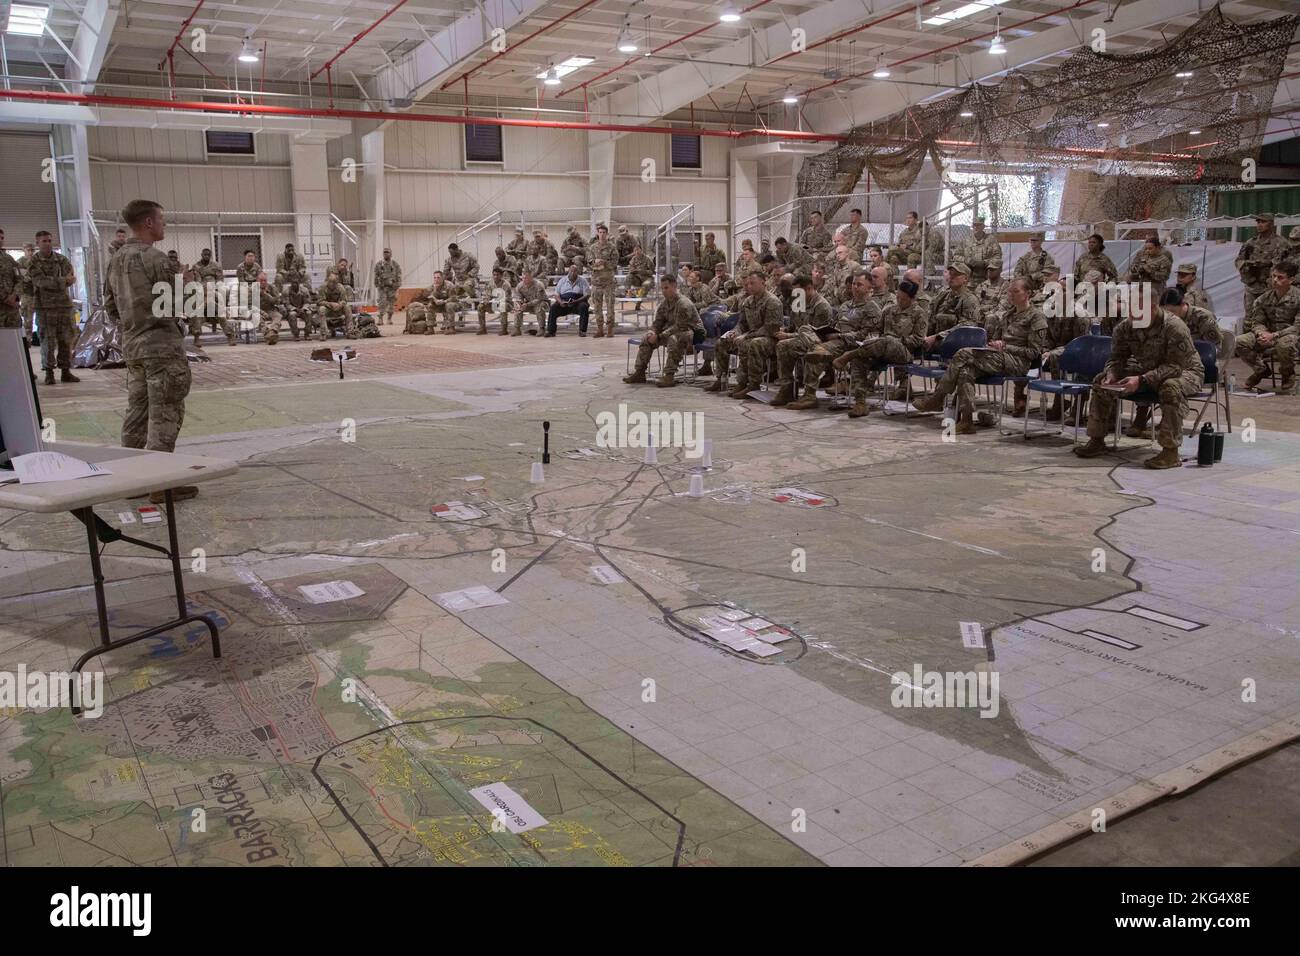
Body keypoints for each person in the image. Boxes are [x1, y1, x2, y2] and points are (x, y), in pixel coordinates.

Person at [104, 199, 197, 502]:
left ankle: (134, 481)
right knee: (164, 413)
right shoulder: (155, 258)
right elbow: (178, 305)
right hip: (161, 347)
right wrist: (187, 283)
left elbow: (109, 306)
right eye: (161, 220)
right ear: (147, 223)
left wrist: (134, 325)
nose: (164, 225)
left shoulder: (116, 259)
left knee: (137, 413)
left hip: (133, 347)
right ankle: (160, 483)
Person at [1073, 285, 1204, 469]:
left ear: (1153, 307)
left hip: (1186, 371)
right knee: (1101, 381)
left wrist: (1141, 380)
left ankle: (1170, 452)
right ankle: (1097, 439)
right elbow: (1117, 358)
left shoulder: (1174, 327)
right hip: (1146, 370)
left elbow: (1175, 367)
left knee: (1171, 387)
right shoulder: (1125, 327)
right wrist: (1112, 374)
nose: (1133, 313)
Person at [913, 278, 1047, 432]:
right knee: (965, 371)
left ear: (1028, 293)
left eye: (1015, 291)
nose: (1011, 295)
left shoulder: (1036, 317)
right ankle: (967, 420)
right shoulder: (1007, 315)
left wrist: (1005, 346)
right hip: (999, 358)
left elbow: (1034, 352)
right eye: (1009, 291)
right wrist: (992, 345)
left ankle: (938, 398)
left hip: (1018, 363)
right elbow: (994, 339)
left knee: (963, 354)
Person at [831, 278, 928, 419]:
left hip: (904, 351)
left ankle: (848, 355)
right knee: (860, 359)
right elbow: (879, 332)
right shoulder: (888, 310)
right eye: (898, 297)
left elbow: (918, 339)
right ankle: (860, 403)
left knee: (888, 340)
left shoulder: (919, 313)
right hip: (881, 348)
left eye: (902, 298)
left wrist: (897, 340)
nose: (899, 300)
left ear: (911, 298)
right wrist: (875, 340)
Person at [705, 271, 780, 396]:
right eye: (748, 284)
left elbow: (770, 328)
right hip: (749, 336)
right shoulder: (748, 301)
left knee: (751, 344)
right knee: (722, 342)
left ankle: (752, 385)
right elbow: (742, 323)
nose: (749, 286)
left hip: (770, 338)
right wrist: (735, 332)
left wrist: (746, 335)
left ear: (763, 282)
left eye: (753, 283)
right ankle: (721, 379)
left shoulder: (772, 301)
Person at [623, 275, 704, 388]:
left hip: (692, 334)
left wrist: (659, 336)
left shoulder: (684, 304)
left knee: (674, 339)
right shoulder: (665, 304)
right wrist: (652, 332)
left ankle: (669, 375)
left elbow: (680, 326)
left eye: (666, 288)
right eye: (662, 288)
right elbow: (658, 322)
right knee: (646, 338)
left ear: (674, 286)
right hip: (672, 332)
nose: (664, 291)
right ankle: (640, 372)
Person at [771, 273, 835, 408]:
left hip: (819, 344)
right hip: (800, 340)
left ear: (809, 288)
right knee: (782, 346)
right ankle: (786, 388)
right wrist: (783, 331)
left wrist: (788, 336)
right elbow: (793, 327)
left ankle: (810, 394)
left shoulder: (821, 306)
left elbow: (815, 335)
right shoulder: (798, 302)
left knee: (807, 348)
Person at [1235, 262, 1299, 392]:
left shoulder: (1298, 297)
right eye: (1274, 276)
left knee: (1285, 344)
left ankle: (1287, 373)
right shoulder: (1263, 299)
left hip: (1291, 335)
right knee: (1239, 342)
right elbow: (1257, 321)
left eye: (1280, 277)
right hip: (1268, 334)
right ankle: (1261, 370)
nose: (1275, 280)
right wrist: (1261, 333)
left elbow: (1297, 326)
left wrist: (1273, 335)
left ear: (1291, 280)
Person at [28, 230, 80, 384]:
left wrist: (59, 281)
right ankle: (49, 373)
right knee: (47, 341)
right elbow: (41, 282)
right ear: (38, 243)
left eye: (49, 240)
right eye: (44, 241)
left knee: (66, 339)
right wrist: (62, 281)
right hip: (45, 308)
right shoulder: (33, 263)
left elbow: (72, 279)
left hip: (64, 306)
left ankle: (66, 371)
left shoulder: (61, 260)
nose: (48, 243)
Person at [1234, 213, 1290, 317]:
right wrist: (1246, 267)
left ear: (1271, 224)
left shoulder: (1281, 243)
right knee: (1250, 318)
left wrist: (1266, 264)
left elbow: (1286, 266)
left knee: (1270, 317)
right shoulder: (1250, 242)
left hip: (1270, 287)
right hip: (1252, 286)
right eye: (1258, 222)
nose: (1259, 224)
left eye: (1263, 222)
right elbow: (1239, 260)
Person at [588, 223, 619, 338]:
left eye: (603, 232)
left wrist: (604, 262)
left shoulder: (612, 247)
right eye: (600, 232)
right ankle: (600, 329)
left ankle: (610, 329)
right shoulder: (593, 247)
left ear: (607, 234)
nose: (601, 234)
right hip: (596, 281)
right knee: (597, 307)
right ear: (597, 233)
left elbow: (615, 263)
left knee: (610, 306)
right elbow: (589, 260)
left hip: (608, 282)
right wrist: (594, 262)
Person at [546, 262, 590, 337]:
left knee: (584, 307)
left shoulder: (583, 281)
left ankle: (582, 331)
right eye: (571, 271)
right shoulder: (562, 280)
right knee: (553, 308)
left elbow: (587, 295)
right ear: (568, 271)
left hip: (577, 302)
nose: (573, 273)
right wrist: (560, 302)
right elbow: (556, 294)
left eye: (575, 271)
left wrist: (576, 301)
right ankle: (551, 331)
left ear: (577, 272)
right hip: (564, 302)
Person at [954, 216, 1002, 282]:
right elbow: (956, 256)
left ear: (983, 226)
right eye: (974, 225)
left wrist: (984, 262)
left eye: (979, 225)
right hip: (969, 279)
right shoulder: (965, 241)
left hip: (986, 278)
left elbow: (997, 257)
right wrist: (968, 260)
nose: (976, 227)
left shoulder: (991, 240)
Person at [316, 273, 357, 339]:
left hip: (338, 308)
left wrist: (340, 305)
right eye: (330, 281)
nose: (332, 284)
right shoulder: (322, 288)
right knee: (321, 309)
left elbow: (344, 300)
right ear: (327, 281)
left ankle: (350, 332)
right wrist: (330, 304)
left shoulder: (340, 287)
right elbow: (319, 302)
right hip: (328, 308)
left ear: (337, 282)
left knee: (347, 307)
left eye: (334, 282)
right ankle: (323, 333)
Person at [478, 267, 514, 335]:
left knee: (502, 306)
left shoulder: (506, 284)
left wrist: (495, 300)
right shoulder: (490, 283)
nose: (495, 277)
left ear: (501, 275)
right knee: (480, 306)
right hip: (494, 304)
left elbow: (505, 298)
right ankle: (482, 328)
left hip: (507, 304)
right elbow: (487, 293)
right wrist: (486, 299)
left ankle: (504, 329)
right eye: (494, 275)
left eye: (497, 275)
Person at [252, 272, 284, 344]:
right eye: (261, 280)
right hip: (258, 311)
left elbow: (277, 301)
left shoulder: (272, 288)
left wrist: (265, 294)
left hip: (270, 309)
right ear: (257, 280)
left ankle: (272, 332)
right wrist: (262, 312)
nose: (263, 282)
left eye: (265, 280)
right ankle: (268, 334)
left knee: (278, 316)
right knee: (257, 318)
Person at [512, 269, 547, 336]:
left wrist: (527, 304)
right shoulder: (520, 286)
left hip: (542, 303)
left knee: (540, 306)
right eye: (523, 278)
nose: (524, 280)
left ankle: (542, 328)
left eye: (526, 278)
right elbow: (517, 296)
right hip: (528, 305)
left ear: (531, 277)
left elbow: (539, 299)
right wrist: (520, 302)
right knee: (517, 306)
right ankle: (517, 329)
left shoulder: (539, 285)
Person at [372, 248, 401, 325]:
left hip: (392, 288)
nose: (386, 254)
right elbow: (376, 275)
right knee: (382, 302)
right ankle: (380, 319)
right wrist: (377, 285)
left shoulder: (395, 264)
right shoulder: (379, 264)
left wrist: (397, 286)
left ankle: (389, 318)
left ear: (391, 254)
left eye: (387, 252)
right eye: (384, 252)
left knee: (391, 304)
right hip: (382, 288)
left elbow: (399, 276)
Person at [0, 227, 19, 333]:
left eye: (2, 238)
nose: (0, 240)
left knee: (14, 343)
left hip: (12, 311)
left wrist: (15, 296)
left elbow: (19, 279)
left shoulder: (9, 259)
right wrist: (6, 298)